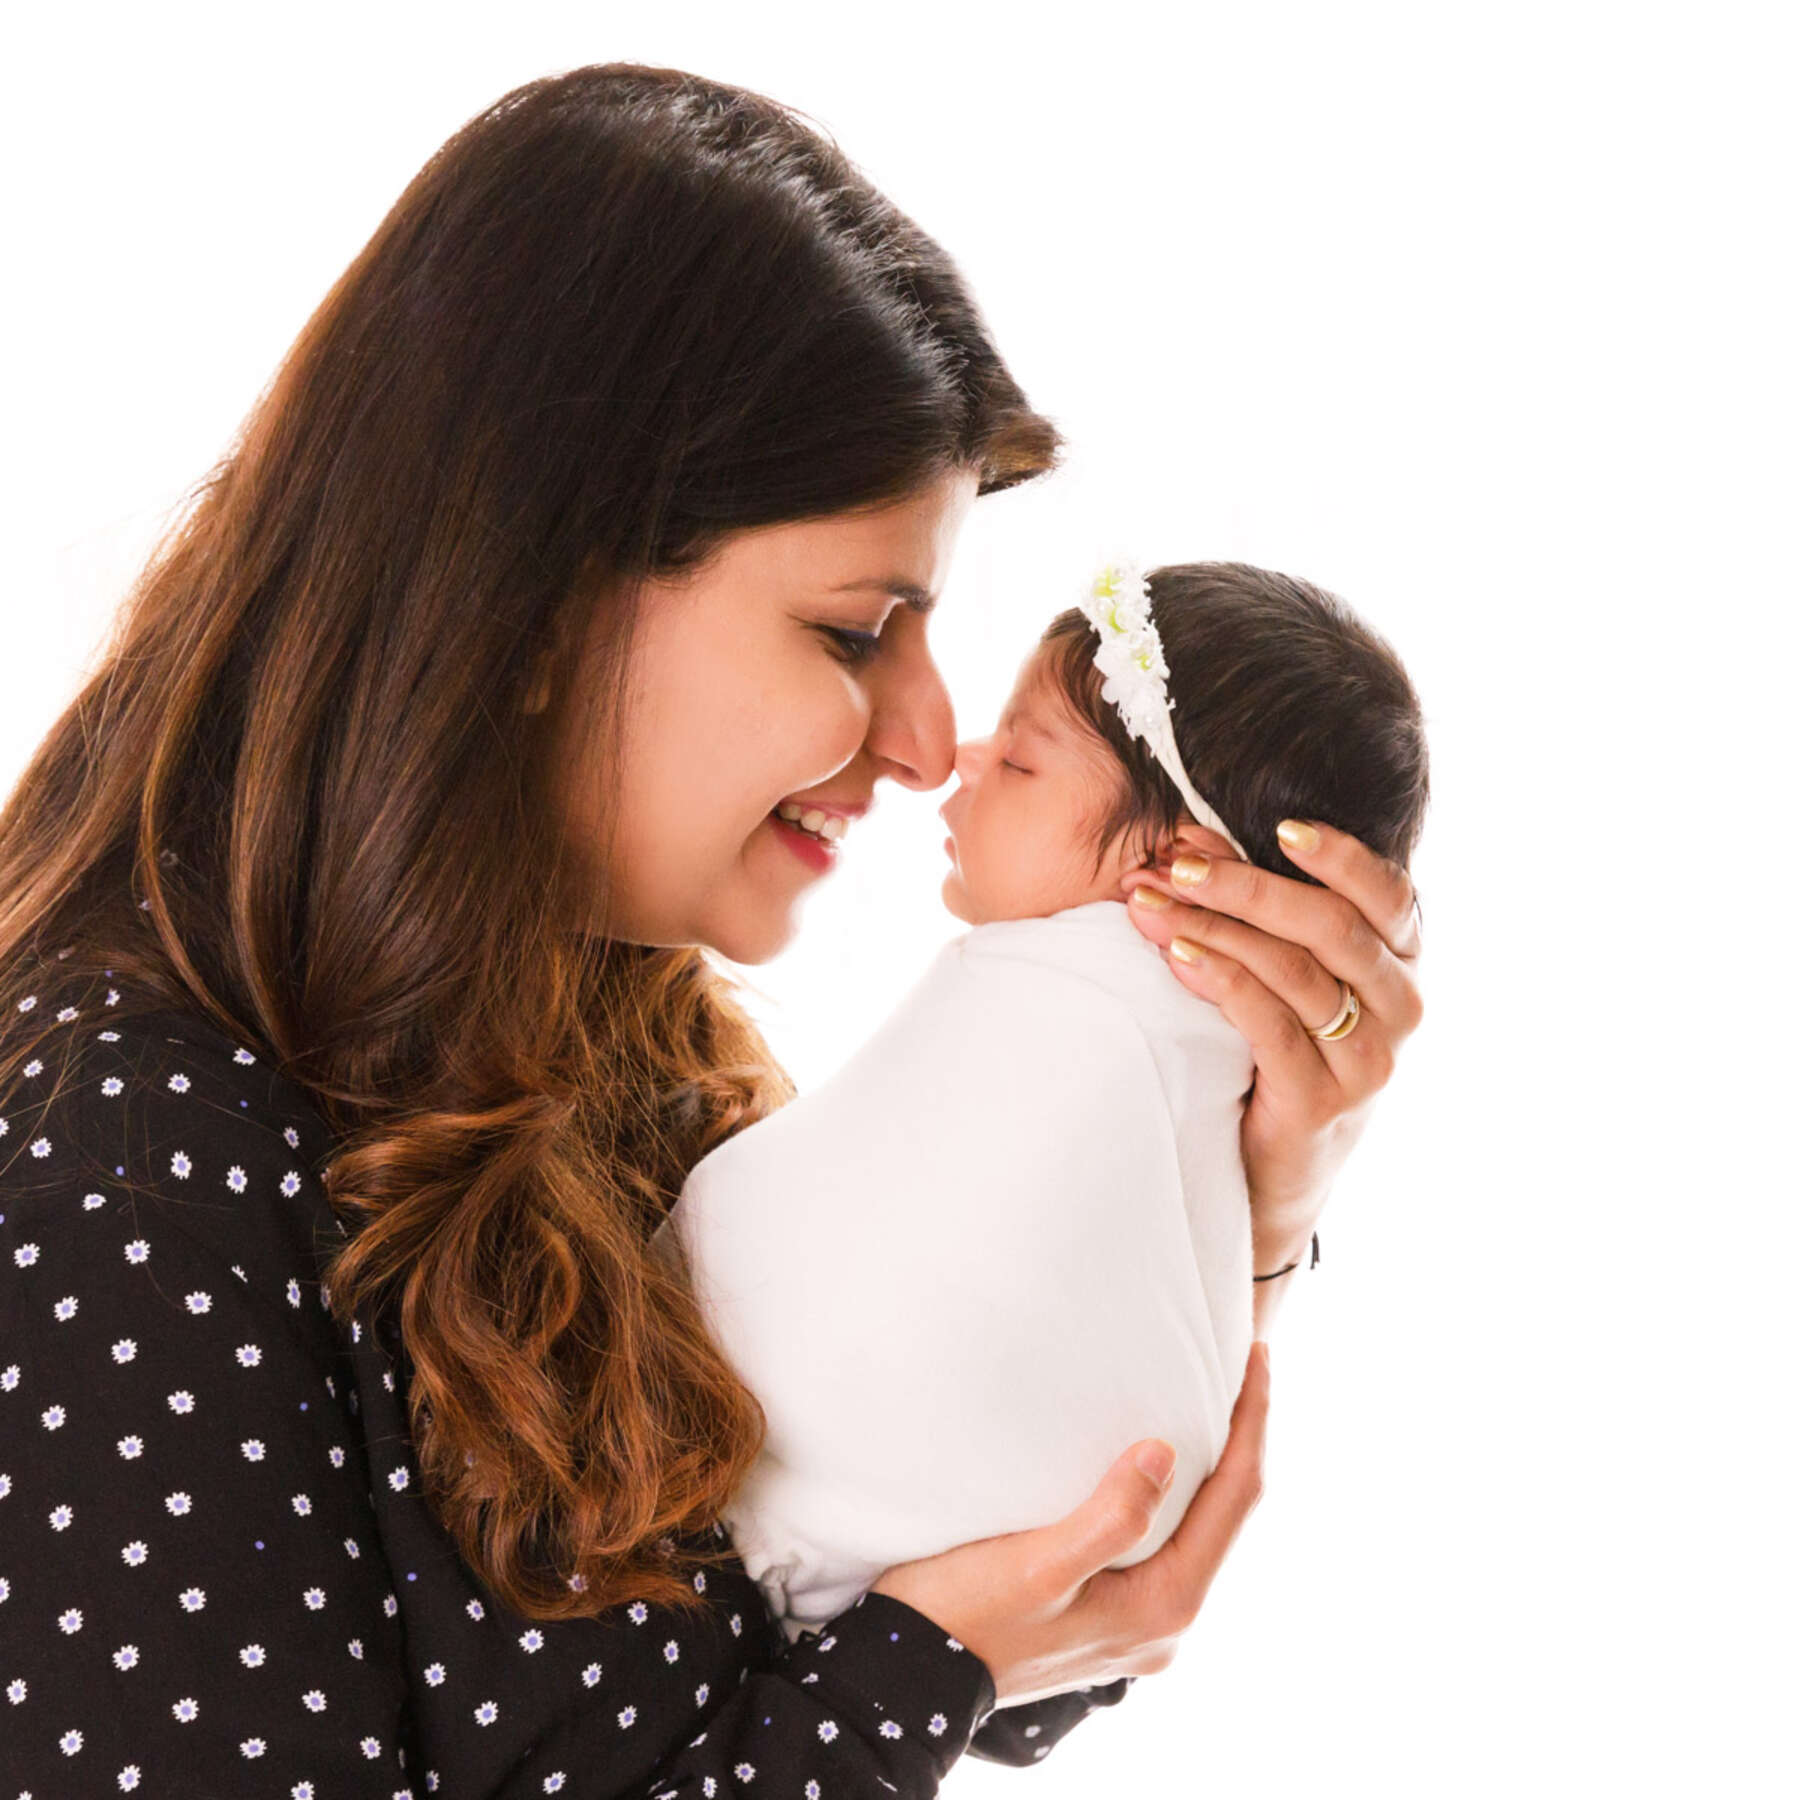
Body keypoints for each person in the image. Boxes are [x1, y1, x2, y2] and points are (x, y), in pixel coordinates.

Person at [0, 63, 1422, 1798]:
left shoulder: (619, 1040)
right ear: (538, 600)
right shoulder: (121, 1163)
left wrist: (1244, 1192)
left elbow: (994, 1600)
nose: (924, 740)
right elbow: (925, 1657)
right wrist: (919, 1679)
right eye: (851, 631)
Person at [661, 559, 1429, 1655]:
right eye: (843, 632)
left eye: (1020, 758)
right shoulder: (1070, 1024)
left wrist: (1273, 1213)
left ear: (1176, 870)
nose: (952, 760)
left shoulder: (1093, 1010)